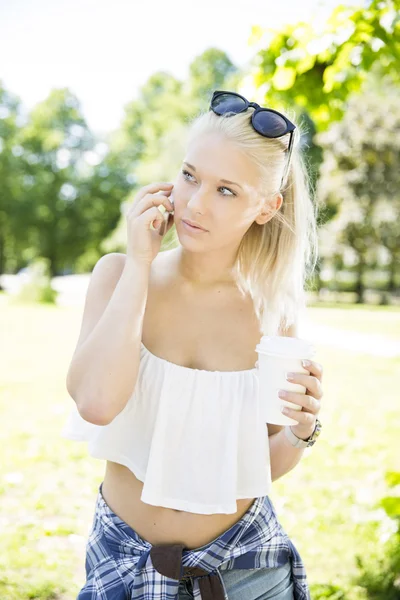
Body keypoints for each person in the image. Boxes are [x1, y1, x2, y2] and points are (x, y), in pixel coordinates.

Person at [62, 90, 324, 599]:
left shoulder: (275, 315)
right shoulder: (117, 276)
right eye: (190, 176)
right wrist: (140, 264)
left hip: (245, 567)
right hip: (125, 562)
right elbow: (96, 404)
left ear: (268, 207)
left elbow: (258, 466)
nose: (195, 203)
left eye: (227, 190)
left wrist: (301, 431)